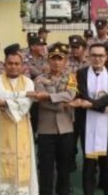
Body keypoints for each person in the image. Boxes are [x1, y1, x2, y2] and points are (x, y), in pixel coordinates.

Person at [72, 42, 108, 195]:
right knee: (89, 162)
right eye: (94, 55)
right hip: (86, 123)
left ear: (106, 57)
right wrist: (102, 106)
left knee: (107, 163)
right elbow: (82, 94)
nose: (97, 59)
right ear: (88, 56)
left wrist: (93, 105)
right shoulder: (81, 73)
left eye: (101, 55)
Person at [0, 44, 38, 195]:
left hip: (23, 124)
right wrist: (20, 96)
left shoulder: (29, 82)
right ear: (5, 64)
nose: (13, 67)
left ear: (22, 66)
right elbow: (0, 95)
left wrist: (5, 102)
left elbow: (27, 103)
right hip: (3, 125)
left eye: (17, 64)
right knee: (3, 159)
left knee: (24, 158)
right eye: (10, 63)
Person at [33, 43, 77, 195]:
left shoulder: (71, 78)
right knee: (46, 166)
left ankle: (63, 192)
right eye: (53, 59)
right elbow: (41, 101)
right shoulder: (39, 79)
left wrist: (49, 96)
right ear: (48, 61)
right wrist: (62, 104)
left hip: (66, 128)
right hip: (46, 129)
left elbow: (71, 95)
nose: (56, 62)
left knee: (64, 166)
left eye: (60, 59)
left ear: (65, 61)